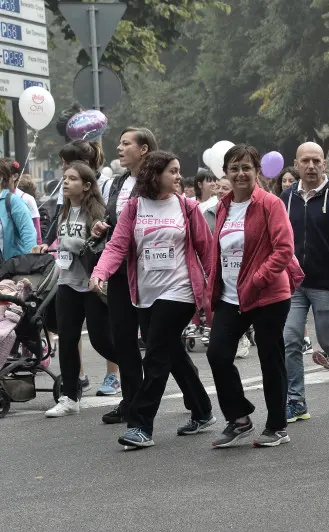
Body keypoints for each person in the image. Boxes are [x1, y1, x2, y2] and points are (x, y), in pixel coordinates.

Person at [89, 151, 215, 449]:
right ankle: (202, 410)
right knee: (172, 353)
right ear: (154, 174)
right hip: (145, 295)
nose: (178, 177)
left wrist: (213, 293)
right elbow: (117, 245)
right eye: (172, 171)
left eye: (179, 171)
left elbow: (206, 251)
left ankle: (140, 425)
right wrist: (100, 273)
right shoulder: (134, 208)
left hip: (180, 291)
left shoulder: (187, 207)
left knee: (156, 356)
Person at [205, 145, 296, 449]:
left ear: (257, 171)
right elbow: (219, 252)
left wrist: (257, 279)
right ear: (226, 173)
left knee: (270, 359)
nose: (240, 173)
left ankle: (277, 426)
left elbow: (284, 250)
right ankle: (239, 417)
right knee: (217, 353)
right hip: (232, 297)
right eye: (234, 168)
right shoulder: (223, 207)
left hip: (268, 294)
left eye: (246, 167)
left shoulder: (270, 204)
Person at [90, 128, 164, 424]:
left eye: (125, 144)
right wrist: (101, 227)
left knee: (157, 338)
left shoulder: (155, 181)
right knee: (123, 338)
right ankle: (131, 401)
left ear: (144, 149)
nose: (119, 149)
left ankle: (193, 393)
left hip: (149, 271)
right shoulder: (118, 182)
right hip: (119, 271)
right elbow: (112, 221)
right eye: (119, 143)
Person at [281, 142, 329, 420]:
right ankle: (297, 400)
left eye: (316, 161)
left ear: (324, 163)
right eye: (305, 161)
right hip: (294, 284)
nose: (311, 166)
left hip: (328, 282)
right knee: (290, 339)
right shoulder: (286, 196)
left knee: (328, 341)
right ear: (297, 164)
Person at [43, 162, 117, 417]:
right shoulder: (63, 212)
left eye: (72, 179)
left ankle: (132, 372)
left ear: (86, 186)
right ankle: (69, 397)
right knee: (67, 340)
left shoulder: (96, 211)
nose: (65, 182)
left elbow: (102, 247)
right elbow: (60, 243)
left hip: (91, 286)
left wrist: (79, 244)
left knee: (100, 340)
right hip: (66, 284)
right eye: (65, 178)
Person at [0, 158, 36, 260]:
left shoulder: (13, 201)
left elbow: (28, 234)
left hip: (11, 267)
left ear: (1, 178)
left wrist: (31, 262)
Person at [9, 165, 41, 245]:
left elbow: (36, 228)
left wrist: (36, 254)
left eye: (3, 175)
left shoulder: (27, 199)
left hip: (20, 252)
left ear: (15, 176)